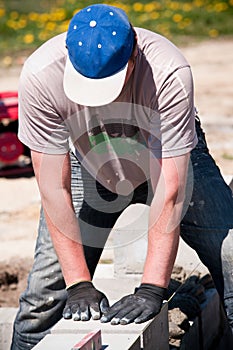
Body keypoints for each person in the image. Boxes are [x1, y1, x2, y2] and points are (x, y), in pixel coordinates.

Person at [11, 3, 233, 349]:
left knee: (230, 253)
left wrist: (152, 288)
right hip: (89, 160)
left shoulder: (167, 71)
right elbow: (54, 187)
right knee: (44, 296)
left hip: (167, 160)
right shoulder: (41, 75)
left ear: (132, 58)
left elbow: (169, 190)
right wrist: (78, 283)